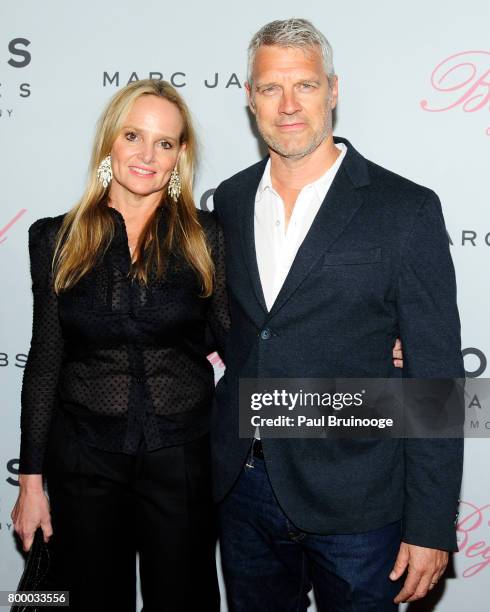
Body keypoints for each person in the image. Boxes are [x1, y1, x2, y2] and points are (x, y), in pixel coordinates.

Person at [212, 18, 464, 611]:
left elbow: (436, 381)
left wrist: (429, 525)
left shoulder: (405, 209)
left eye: (305, 85)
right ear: (250, 98)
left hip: (359, 499)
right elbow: (238, 328)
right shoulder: (229, 198)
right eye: (271, 88)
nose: (288, 105)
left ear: (333, 89)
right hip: (243, 488)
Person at [11, 79, 229, 612]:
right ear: (110, 141)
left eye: (164, 142)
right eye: (134, 135)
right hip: (83, 458)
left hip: (181, 455)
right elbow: (45, 359)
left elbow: (243, 339)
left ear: (180, 156)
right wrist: (31, 484)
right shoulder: (54, 238)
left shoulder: (207, 237)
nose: (146, 155)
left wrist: (357, 349)